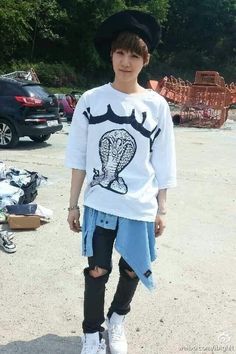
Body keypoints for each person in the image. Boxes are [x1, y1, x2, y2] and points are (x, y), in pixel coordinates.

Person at [65, 9, 176, 354]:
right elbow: (78, 157)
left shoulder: (156, 105)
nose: (125, 61)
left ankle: (117, 320)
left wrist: (162, 208)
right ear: (111, 55)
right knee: (97, 269)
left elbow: (164, 160)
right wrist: (73, 203)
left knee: (131, 269)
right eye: (120, 53)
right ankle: (91, 332)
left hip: (139, 205)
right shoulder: (91, 100)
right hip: (100, 203)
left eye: (134, 54)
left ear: (145, 60)